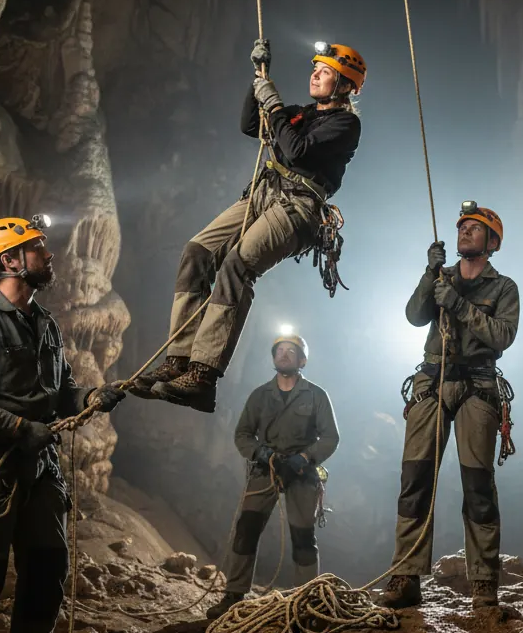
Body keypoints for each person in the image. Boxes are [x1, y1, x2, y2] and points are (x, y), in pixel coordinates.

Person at [129, 40, 367, 412]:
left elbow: (297, 151)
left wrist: (272, 102)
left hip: (297, 206)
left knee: (237, 266)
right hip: (262, 194)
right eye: (315, 69)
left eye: (326, 72)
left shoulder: (345, 124)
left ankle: (203, 374)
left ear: (346, 85)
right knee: (197, 252)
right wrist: (258, 81)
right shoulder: (303, 112)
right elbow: (250, 125)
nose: (315, 74)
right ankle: (178, 357)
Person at [0, 215, 125, 633]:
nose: (49, 254)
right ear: (10, 260)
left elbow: (57, 394)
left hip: (40, 468)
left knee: (46, 569)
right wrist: (18, 428)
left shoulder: (44, 323)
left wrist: (89, 397)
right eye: (38, 247)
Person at [379, 203, 520, 611]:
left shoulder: (504, 287)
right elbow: (413, 316)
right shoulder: (441, 277)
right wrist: (429, 274)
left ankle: (483, 582)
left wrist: (457, 304)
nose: (465, 232)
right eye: (462, 227)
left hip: (478, 383)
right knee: (415, 479)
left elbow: (501, 336)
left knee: (478, 483)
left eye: (475, 229)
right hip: (433, 379)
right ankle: (405, 575)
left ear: (492, 243)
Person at [207, 332, 340, 618]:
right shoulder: (260, 395)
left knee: (303, 537)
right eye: (280, 349)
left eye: (291, 351)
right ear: (273, 356)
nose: (284, 354)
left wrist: (304, 458)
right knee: (246, 531)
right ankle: (233, 594)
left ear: (302, 360)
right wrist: (261, 454)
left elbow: (330, 437)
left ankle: (306, 602)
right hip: (265, 469)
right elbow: (242, 434)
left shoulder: (316, 395)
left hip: (301, 472)